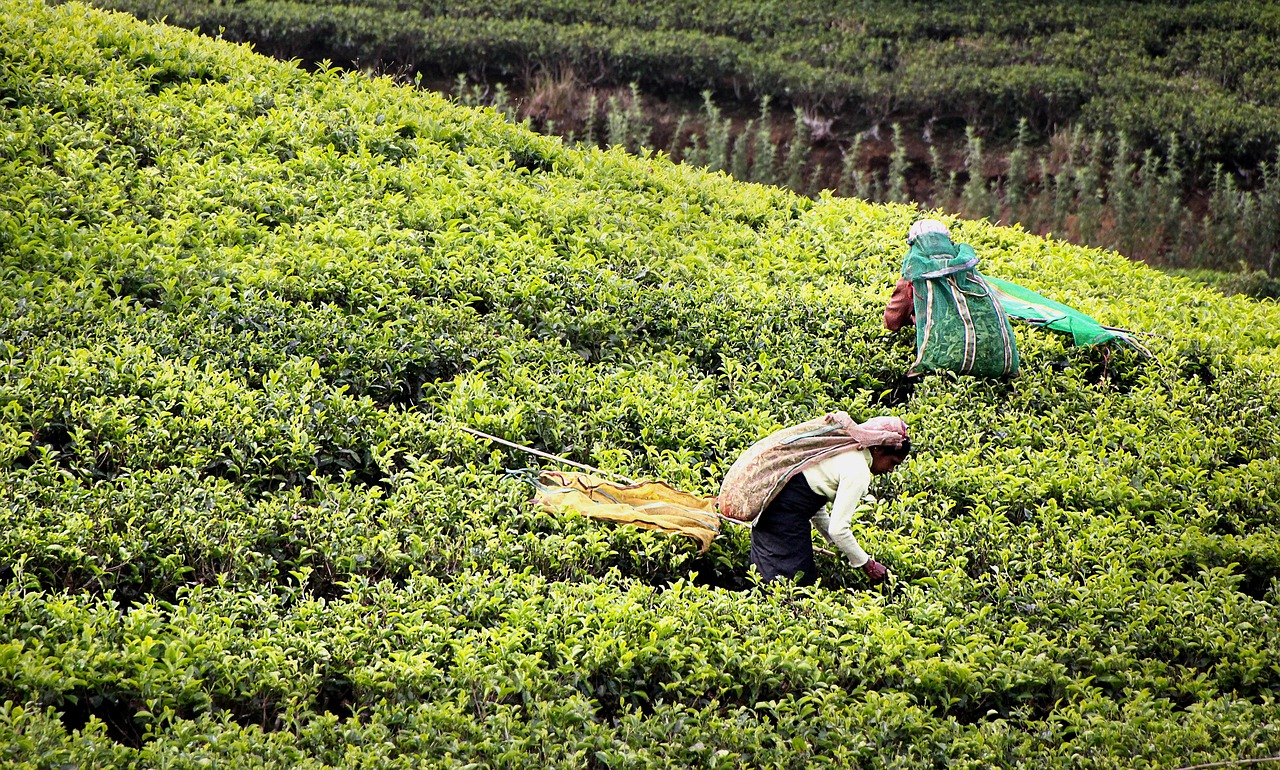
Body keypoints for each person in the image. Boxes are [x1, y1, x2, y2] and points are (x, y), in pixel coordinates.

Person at [717, 413, 910, 586]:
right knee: (793, 586)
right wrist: (868, 564)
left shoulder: (843, 451)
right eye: (892, 462)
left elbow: (814, 506)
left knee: (769, 582)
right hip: (783, 520)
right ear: (877, 449)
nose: (891, 469)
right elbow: (839, 529)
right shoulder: (858, 469)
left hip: (772, 514)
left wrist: (840, 548)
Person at [883, 218, 1019, 378]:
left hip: (946, 364)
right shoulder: (966, 269)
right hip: (989, 354)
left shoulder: (916, 275)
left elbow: (891, 322)